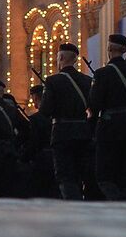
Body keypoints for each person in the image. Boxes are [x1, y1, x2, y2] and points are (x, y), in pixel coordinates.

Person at [88, 34, 126, 201]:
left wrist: (92, 127)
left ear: (109, 49)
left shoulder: (101, 74)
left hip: (109, 128)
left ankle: (118, 202)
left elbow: (94, 103)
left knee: (105, 175)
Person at [39, 43, 94, 200]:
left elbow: (45, 110)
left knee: (65, 174)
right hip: (83, 132)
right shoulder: (87, 80)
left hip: (62, 133)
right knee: (80, 171)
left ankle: (73, 203)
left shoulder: (52, 81)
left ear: (61, 57)